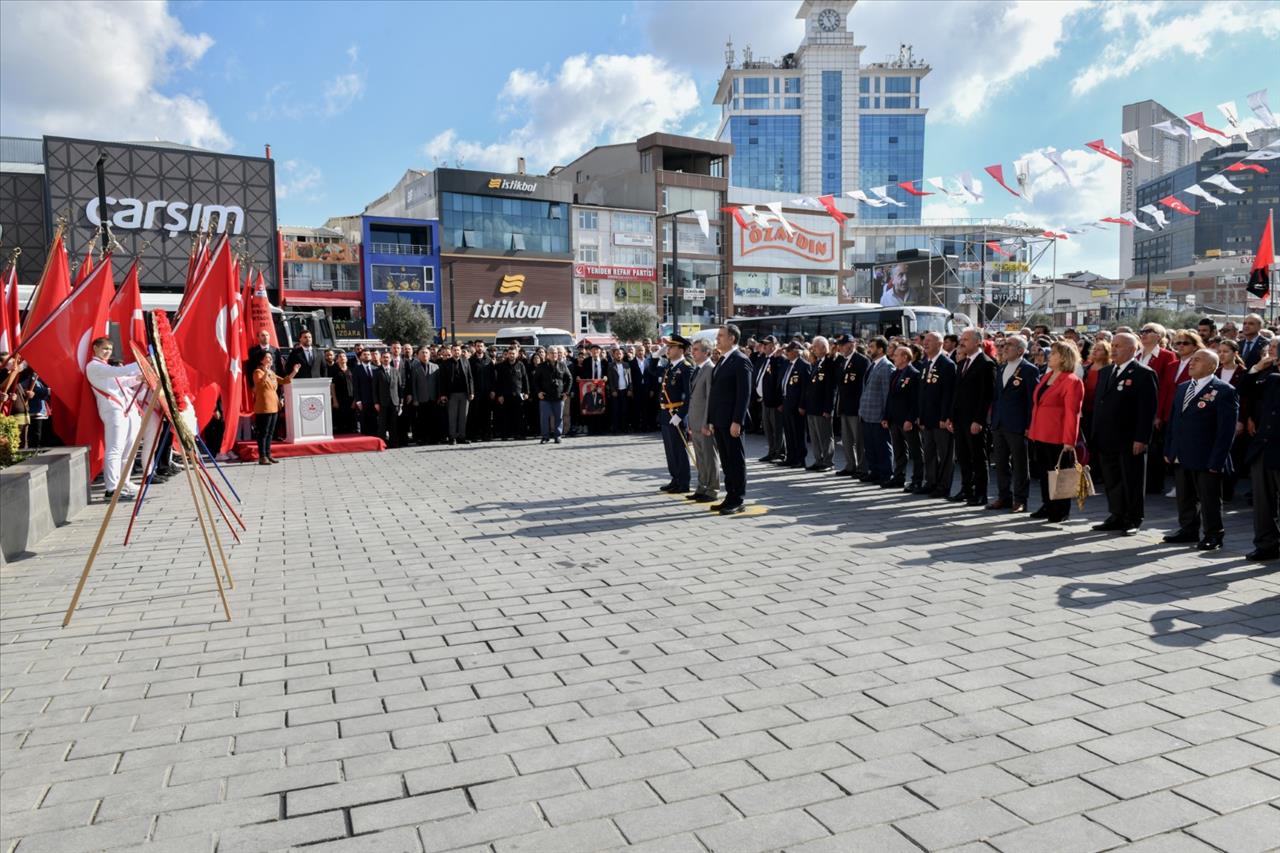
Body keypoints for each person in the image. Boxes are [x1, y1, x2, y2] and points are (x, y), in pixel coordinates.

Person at [1163, 348, 1237, 551]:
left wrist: (1217, 460)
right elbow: (1174, 421)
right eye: (1191, 360)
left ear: (1212, 366)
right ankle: (1188, 529)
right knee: (1185, 496)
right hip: (1181, 452)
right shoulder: (1183, 387)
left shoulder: (1224, 391)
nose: (1191, 363)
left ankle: (1213, 535)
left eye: (1197, 360)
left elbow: (1226, 432)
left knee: (1209, 498)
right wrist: (1170, 449)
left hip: (1206, 455)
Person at [1091, 332, 1158, 535]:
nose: (1113, 348)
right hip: (1106, 436)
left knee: (1131, 480)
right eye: (1113, 345)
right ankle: (1116, 514)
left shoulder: (1143, 373)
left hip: (1129, 438)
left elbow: (1147, 410)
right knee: (1112, 479)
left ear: (1132, 349)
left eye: (1118, 345)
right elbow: (1099, 405)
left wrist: (1141, 438)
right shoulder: (1106, 372)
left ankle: (1133, 519)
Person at [1027, 341, 1085, 523]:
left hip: (1058, 436)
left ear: (1063, 358)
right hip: (1040, 433)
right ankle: (1047, 504)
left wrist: (1069, 440)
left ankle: (1060, 510)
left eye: (1053, 353)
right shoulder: (1047, 376)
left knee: (1059, 474)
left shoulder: (1072, 381)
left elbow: (1072, 413)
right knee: (1045, 473)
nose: (1048, 355)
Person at [86, 337, 145, 499]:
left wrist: (138, 378)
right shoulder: (94, 366)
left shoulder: (105, 367)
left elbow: (122, 381)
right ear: (95, 349)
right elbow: (118, 372)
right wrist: (142, 363)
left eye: (110, 349)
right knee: (115, 449)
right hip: (112, 410)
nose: (107, 352)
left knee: (129, 449)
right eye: (104, 349)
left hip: (125, 409)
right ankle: (111, 488)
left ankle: (124, 482)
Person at [989, 335, 1039, 512]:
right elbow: (996, 398)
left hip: (1017, 425)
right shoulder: (1002, 368)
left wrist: (1029, 425)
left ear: (1020, 350)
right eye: (1003, 345)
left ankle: (1020, 499)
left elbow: (1032, 401)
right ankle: (1004, 496)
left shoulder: (1029, 370)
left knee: (1019, 464)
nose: (1004, 347)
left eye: (1009, 345)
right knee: (1001, 463)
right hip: (999, 423)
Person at [706, 324, 753, 515]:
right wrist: (711, 419)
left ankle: (738, 499)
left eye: (721, 336)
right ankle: (730, 495)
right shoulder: (723, 360)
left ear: (732, 338)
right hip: (719, 420)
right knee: (726, 461)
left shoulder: (740, 360)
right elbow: (716, 394)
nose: (717, 339)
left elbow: (744, 394)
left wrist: (738, 421)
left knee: (735, 460)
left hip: (732, 421)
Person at [949, 328, 997, 506]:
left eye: (966, 339)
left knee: (978, 456)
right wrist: (951, 417)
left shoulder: (986, 363)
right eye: (961, 339)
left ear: (978, 342)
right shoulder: (962, 363)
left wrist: (979, 420)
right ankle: (966, 488)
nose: (962, 342)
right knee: (963, 456)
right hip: (960, 419)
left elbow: (986, 396)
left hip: (974, 420)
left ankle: (980, 493)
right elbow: (957, 392)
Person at [1244, 360, 1280, 561]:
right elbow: (1243, 390)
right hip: (1264, 450)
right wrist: (1257, 368)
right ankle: (1266, 545)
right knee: (1263, 503)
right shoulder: (1272, 380)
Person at [916, 331, 957, 497]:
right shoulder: (926, 363)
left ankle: (943, 486)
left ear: (940, 344)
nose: (925, 344)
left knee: (945, 454)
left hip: (940, 419)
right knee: (930, 452)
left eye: (930, 341)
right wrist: (921, 415)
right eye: (925, 341)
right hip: (927, 418)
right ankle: (931, 482)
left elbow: (948, 394)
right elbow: (922, 392)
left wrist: (945, 417)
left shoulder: (947, 364)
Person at [685, 338, 719, 503]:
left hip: (704, 423)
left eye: (697, 349)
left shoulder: (709, 369)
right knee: (700, 457)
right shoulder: (698, 369)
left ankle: (712, 490)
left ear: (706, 352)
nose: (693, 352)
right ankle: (702, 486)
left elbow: (710, 400)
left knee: (709, 457)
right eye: (693, 349)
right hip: (696, 421)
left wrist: (707, 422)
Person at [658, 336, 693, 494]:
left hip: (676, 413)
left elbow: (690, 395)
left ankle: (684, 482)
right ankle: (675, 479)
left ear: (681, 350)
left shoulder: (686, 368)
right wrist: (655, 355)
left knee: (679, 449)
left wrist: (680, 415)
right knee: (670, 450)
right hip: (666, 413)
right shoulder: (669, 366)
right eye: (668, 347)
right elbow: (652, 371)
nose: (668, 350)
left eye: (671, 347)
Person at [883, 344, 921, 490]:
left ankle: (917, 479)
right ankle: (899, 477)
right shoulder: (895, 373)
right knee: (899, 451)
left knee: (915, 451)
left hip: (906, 419)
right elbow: (890, 397)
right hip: (894, 419)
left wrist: (910, 419)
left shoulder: (914, 374)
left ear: (905, 357)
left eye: (896, 355)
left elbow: (915, 400)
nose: (893, 357)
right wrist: (886, 416)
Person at [252, 350, 300, 464]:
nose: (270, 359)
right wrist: (266, 371)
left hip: (274, 405)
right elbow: (259, 384)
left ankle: (268, 454)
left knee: (270, 432)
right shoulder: (257, 372)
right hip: (263, 406)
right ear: (261, 360)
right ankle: (262, 456)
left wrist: (294, 372)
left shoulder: (271, 372)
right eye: (267, 357)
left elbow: (284, 381)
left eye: (271, 357)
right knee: (263, 432)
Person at [858, 336, 894, 485]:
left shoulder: (886, 366)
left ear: (880, 349)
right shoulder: (872, 365)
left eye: (872, 346)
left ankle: (885, 473)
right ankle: (874, 471)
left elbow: (887, 394)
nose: (868, 349)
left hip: (878, 415)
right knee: (870, 447)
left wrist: (886, 416)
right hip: (867, 414)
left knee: (882, 447)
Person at [833, 335, 868, 478]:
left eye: (843, 344)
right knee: (846, 440)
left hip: (856, 406)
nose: (840, 347)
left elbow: (864, 386)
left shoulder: (862, 360)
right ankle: (850, 465)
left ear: (852, 344)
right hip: (844, 406)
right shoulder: (841, 360)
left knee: (858, 440)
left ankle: (862, 467)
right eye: (839, 345)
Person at [802, 336, 838, 472]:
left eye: (815, 347)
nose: (813, 349)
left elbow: (831, 389)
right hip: (812, 407)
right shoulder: (817, 363)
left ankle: (828, 461)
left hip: (822, 408)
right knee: (815, 437)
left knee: (824, 436)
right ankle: (818, 460)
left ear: (824, 347)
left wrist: (828, 408)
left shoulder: (828, 363)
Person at [779, 341, 811, 468]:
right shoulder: (787, 363)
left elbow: (805, 388)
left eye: (789, 350)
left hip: (797, 405)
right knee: (788, 432)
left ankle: (800, 459)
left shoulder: (804, 365)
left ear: (796, 351)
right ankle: (790, 457)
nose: (786, 352)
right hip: (787, 402)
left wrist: (802, 405)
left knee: (798, 432)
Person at [757, 337, 787, 463]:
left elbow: (780, 382)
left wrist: (780, 402)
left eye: (767, 344)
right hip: (765, 400)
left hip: (775, 402)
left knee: (777, 428)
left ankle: (779, 453)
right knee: (768, 428)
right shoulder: (765, 359)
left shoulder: (780, 360)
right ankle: (771, 451)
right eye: (763, 344)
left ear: (775, 345)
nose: (764, 346)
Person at [535, 345, 572, 444]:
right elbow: (535, 381)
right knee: (544, 418)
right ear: (547, 355)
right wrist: (539, 392)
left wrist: (566, 393)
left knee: (559, 417)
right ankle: (545, 437)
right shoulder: (541, 366)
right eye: (552, 353)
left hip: (558, 396)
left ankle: (558, 436)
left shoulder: (562, 365)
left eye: (556, 353)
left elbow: (569, 379)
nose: (554, 355)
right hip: (545, 396)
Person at [438, 343, 473, 444]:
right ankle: (452, 437)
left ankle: (462, 437)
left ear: (460, 351)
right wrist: (443, 394)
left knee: (463, 417)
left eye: (458, 350)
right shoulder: (446, 363)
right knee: (452, 416)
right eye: (454, 350)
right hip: (452, 394)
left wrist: (471, 392)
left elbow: (470, 378)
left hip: (464, 394)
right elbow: (442, 380)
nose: (456, 352)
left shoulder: (466, 361)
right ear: (451, 351)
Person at [493, 346, 530, 440]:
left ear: (517, 354)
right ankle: (505, 435)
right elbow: (498, 382)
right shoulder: (502, 366)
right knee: (505, 416)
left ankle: (519, 434)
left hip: (518, 394)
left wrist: (526, 392)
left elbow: (525, 379)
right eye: (510, 353)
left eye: (513, 353)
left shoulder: (521, 365)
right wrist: (500, 395)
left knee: (519, 416)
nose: (511, 355)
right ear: (507, 354)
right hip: (505, 395)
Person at [407, 346, 440, 446]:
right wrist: (415, 399)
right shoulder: (414, 368)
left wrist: (439, 397)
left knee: (433, 419)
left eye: (426, 353)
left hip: (433, 398)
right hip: (421, 399)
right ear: (418, 355)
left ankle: (433, 439)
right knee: (422, 420)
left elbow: (438, 384)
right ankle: (423, 439)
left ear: (429, 355)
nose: (425, 354)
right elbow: (413, 384)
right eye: (422, 353)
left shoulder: (436, 367)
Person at [350, 349, 381, 437]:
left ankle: (375, 438)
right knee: (365, 420)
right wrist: (358, 400)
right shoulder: (356, 369)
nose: (367, 356)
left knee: (375, 420)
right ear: (360, 357)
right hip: (363, 399)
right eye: (364, 354)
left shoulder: (376, 368)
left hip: (375, 400)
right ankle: (365, 438)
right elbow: (355, 386)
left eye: (368, 354)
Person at [377, 350, 404, 446]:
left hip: (394, 401)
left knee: (394, 423)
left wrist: (401, 402)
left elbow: (400, 387)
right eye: (384, 357)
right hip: (382, 402)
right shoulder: (377, 372)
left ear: (391, 359)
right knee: (382, 424)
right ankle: (382, 443)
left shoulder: (395, 371)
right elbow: (374, 388)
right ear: (381, 359)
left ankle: (393, 443)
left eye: (387, 357)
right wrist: (376, 402)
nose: (385, 359)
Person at [329, 351, 356, 435]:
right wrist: (335, 400)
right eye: (340, 357)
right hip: (339, 398)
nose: (342, 358)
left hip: (351, 398)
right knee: (340, 418)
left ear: (347, 359)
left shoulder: (352, 370)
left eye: (344, 356)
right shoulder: (334, 371)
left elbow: (356, 385)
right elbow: (332, 386)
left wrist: (355, 400)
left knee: (352, 418)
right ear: (337, 360)